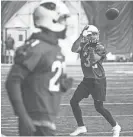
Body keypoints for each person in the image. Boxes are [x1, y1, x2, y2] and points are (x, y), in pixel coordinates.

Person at [5, 1, 73, 136]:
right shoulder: (37, 48)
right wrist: (23, 117)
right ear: (51, 20)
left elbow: (41, 80)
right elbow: (13, 81)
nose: (66, 23)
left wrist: (62, 86)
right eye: (62, 18)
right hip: (36, 121)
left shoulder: (54, 48)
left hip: (47, 118)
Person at [70, 25, 121, 137]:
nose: (93, 36)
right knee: (73, 101)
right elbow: (73, 49)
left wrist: (92, 47)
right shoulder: (84, 45)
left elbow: (93, 60)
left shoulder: (100, 47)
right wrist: (80, 36)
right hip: (87, 80)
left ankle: (115, 126)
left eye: (95, 34)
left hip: (98, 80)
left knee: (99, 107)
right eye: (91, 34)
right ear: (87, 35)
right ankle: (81, 127)